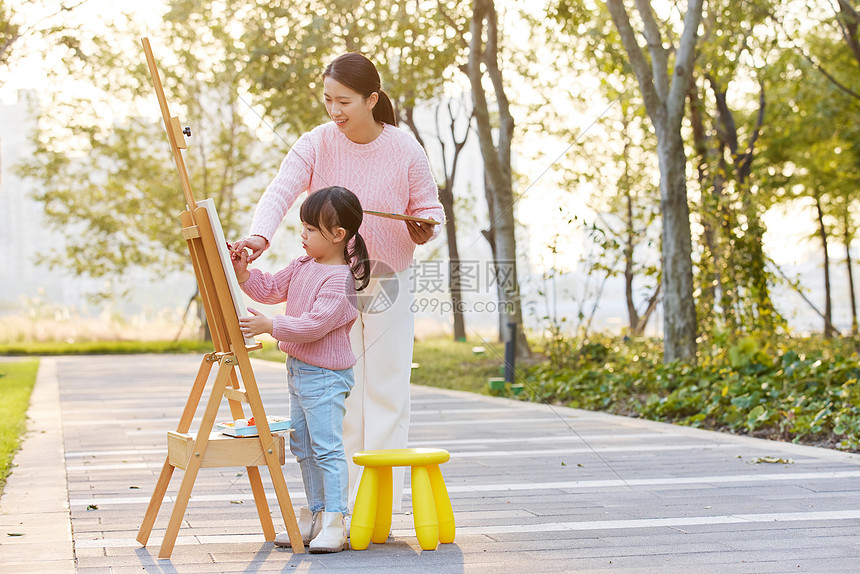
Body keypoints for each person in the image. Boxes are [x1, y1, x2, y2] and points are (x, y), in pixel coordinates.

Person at [231, 52, 444, 529]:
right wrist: (259, 238)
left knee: (387, 393)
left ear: (372, 99)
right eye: (327, 100)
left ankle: (377, 514)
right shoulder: (317, 144)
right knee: (337, 400)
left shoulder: (405, 149)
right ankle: (337, 511)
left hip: (386, 280)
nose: (334, 110)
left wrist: (424, 226)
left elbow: (429, 209)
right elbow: (281, 190)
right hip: (330, 283)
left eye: (343, 101)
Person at [231, 186, 371, 553]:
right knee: (303, 447)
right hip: (299, 370)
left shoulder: (340, 280)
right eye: (303, 227)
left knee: (325, 448)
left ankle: (336, 521)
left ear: (338, 235)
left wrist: (270, 326)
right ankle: (317, 512)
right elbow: (272, 288)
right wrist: (245, 275)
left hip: (325, 376)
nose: (302, 235)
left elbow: (314, 325)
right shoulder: (303, 265)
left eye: (310, 229)